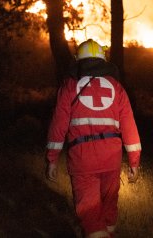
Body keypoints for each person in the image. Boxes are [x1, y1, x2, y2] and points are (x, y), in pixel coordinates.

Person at [45, 39, 141, 238]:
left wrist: (52, 159)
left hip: (83, 160)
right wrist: (134, 162)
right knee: (108, 212)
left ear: (78, 60)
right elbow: (129, 126)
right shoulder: (116, 87)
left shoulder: (70, 85)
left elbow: (58, 125)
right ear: (103, 60)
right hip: (111, 160)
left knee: (90, 215)